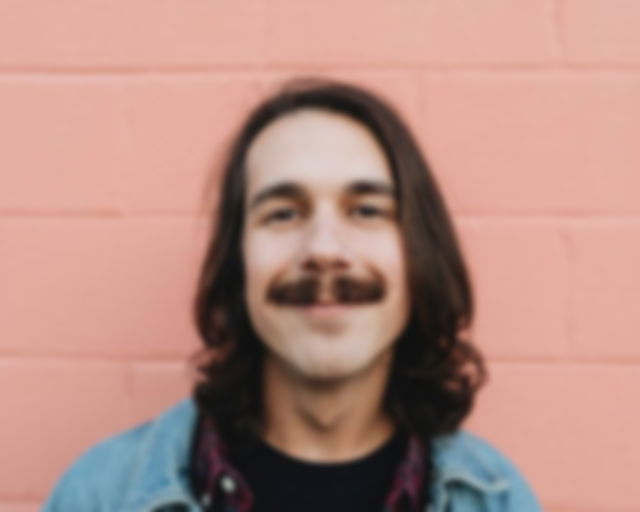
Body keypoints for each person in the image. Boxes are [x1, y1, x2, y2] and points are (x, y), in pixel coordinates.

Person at [42, 77, 542, 512]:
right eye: (283, 213)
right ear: (236, 264)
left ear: (420, 255)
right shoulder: (102, 496)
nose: (324, 249)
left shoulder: (495, 499)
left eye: (366, 210)